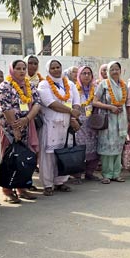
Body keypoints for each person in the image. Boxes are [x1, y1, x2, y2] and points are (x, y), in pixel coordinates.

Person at [0, 59, 42, 203]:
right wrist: (16, 128)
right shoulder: (5, 86)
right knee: (10, 159)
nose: (22, 71)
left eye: (24, 68)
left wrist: (27, 119)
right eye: (18, 68)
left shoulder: (29, 85)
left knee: (25, 158)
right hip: (9, 128)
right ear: (11, 70)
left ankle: (22, 188)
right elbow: (5, 107)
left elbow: (37, 103)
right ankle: (7, 190)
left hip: (27, 127)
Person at [36, 59, 81, 195]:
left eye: (58, 67)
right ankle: (48, 184)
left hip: (67, 124)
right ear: (48, 70)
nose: (56, 70)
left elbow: (77, 102)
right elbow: (51, 103)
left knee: (64, 153)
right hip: (50, 125)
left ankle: (60, 181)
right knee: (48, 156)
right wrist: (70, 111)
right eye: (53, 68)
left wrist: (73, 117)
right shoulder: (44, 84)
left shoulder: (70, 84)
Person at [92, 61, 130, 183]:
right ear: (108, 71)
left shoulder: (124, 86)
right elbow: (95, 102)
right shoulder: (103, 84)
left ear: (120, 71)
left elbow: (126, 103)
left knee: (118, 147)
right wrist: (110, 107)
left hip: (121, 119)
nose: (115, 71)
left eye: (116, 69)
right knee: (107, 148)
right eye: (112, 69)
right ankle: (107, 174)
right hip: (108, 120)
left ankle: (116, 173)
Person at [72, 66, 100, 182]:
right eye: (84, 73)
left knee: (93, 146)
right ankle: (77, 174)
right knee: (79, 148)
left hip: (92, 122)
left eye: (89, 73)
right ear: (79, 75)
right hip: (79, 122)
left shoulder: (96, 88)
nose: (87, 76)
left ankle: (89, 172)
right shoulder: (74, 88)